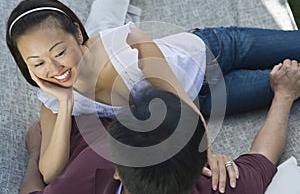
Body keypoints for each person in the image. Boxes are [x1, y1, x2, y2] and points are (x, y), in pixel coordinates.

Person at [6, 0, 300, 190]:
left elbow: (180, 101)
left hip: (212, 51)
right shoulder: (53, 97)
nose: (54, 68)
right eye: (38, 63)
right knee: (291, 80)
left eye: (59, 52)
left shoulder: (124, 44)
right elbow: (49, 173)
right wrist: (66, 101)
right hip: (207, 99)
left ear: (78, 35)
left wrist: (203, 154)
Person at [21, 59, 300, 194]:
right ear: (203, 166)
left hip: (74, 120)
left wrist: (35, 153)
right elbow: (263, 159)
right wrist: (285, 95)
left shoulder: (90, 165)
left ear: (116, 171)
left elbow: (34, 189)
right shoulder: (217, 185)